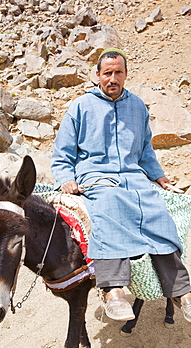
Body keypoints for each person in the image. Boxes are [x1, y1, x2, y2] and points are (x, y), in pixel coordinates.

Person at [51, 48, 191, 322]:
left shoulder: (137, 106)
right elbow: (62, 153)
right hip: (97, 178)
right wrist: (66, 178)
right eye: (107, 73)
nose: (112, 78)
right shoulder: (80, 107)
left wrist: (159, 176)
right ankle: (113, 289)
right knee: (109, 207)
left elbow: (145, 151)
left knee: (157, 212)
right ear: (97, 75)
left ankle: (182, 291)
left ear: (125, 74)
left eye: (118, 73)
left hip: (134, 178)